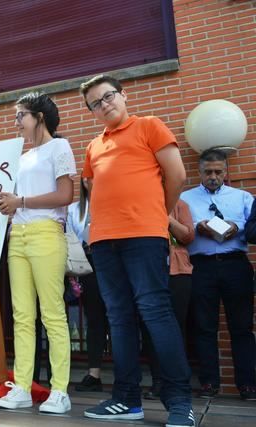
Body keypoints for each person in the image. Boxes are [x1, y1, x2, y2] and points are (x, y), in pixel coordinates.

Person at [79, 75, 194, 427]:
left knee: (155, 312)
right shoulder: (93, 146)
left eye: (109, 96)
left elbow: (177, 174)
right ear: (92, 112)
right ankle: (126, 399)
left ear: (123, 95)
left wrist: (158, 214)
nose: (105, 104)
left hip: (144, 236)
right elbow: (91, 186)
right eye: (96, 103)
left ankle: (179, 401)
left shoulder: (149, 126)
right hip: (103, 242)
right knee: (119, 319)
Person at [0, 91, 75, 414]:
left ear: (39, 117)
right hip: (18, 236)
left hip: (45, 233)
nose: (16, 123)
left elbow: (66, 194)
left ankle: (60, 390)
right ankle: (23, 387)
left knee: (52, 313)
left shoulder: (60, 147)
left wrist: (21, 201)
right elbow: (14, 200)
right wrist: (8, 204)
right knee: (22, 316)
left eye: (20, 115)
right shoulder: (21, 157)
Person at [180, 148, 256, 401]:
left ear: (226, 172)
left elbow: (253, 227)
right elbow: (177, 227)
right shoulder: (185, 198)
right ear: (199, 172)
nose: (213, 176)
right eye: (208, 172)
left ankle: (247, 385)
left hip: (235, 265)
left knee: (242, 327)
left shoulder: (243, 197)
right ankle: (209, 383)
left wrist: (239, 227)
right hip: (201, 266)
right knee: (204, 326)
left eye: (218, 172)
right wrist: (196, 227)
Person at [141, 198, 195, 400]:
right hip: (148, 270)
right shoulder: (142, 203)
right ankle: (158, 380)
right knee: (149, 328)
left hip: (177, 271)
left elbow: (188, 236)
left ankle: (178, 382)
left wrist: (167, 219)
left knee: (176, 326)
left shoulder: (180, 205)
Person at [67, 178, 108, 393]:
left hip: (111, 261)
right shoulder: (75, 209)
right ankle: (94, 375)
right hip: (88, 263)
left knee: (119, 317)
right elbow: (70, 237)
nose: (89, 182)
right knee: (94, 319)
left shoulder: (111, 200)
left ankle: (126, 375)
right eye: (86, 179)